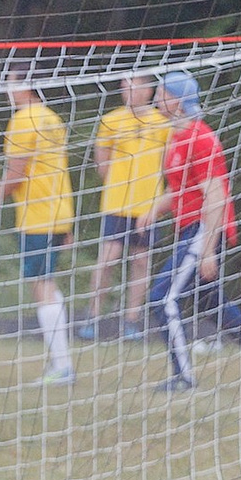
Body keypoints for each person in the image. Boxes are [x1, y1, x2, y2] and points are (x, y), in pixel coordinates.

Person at [145, 72, 241, 391]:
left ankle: (183, 376)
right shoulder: (175, 138)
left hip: (203, 230)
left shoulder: (201, 139)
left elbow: (216, 196)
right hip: (190, 228)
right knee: (210, 304)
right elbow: (182, 190)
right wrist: (151, 211)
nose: (156, 96)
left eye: (161, 91)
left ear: (177, 100)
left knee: (162, 299)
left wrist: (207, 248)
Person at [0, 66, 76, 385]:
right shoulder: (52, 118)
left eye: (11, 83)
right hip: (58, 211)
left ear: (26, 87)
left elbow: (16, 174)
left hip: (38, 215)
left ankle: (62, 366)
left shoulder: (23, 120)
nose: (7, 89)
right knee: (48, 284)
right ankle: (61, 363)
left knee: (41, 286)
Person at [81, 73, 169, 341]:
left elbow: (169, 164)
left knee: (141, 261)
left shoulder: (162, 123)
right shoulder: (111, 120)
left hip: (148, 205)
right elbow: (102, 163)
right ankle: (92, 316)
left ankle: (132, 319)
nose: (127, 91)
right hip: (117, 203)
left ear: (148, 90)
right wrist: (120, 185)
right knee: (107, 259)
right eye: (124, 86)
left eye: (133, 86)